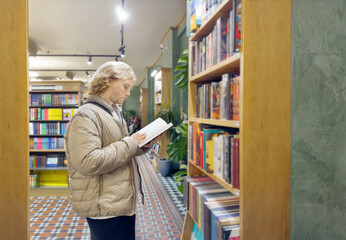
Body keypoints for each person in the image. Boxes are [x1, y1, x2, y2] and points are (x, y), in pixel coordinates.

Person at [64, 61, 160, 240]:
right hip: (104, 206)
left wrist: (140, 146)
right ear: (109, 81)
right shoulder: (86, 115)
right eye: (125, 86)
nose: (128, 92)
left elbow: (119, 150)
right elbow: (88, 162)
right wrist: (130, 143)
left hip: (117, 201)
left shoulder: (112, 112)